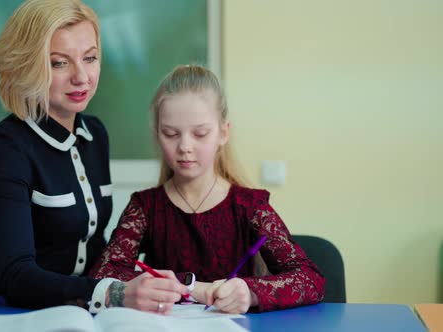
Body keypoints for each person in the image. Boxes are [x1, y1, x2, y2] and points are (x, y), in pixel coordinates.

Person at [0, 0, 187, 313]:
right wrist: (113, 292)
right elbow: (16, 277)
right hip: (31, 314)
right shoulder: (8, 146)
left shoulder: (95, 134)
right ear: (27, 64)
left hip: (90, 310)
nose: (82, 77)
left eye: (90, 58)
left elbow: (94, 245)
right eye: (59, 63)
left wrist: (137, 281)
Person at [89, 64, 325, 314]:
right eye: (171, 134)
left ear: (223, 133)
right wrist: (192, 287)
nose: (185, 147)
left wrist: (250, 292)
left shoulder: (250, 206)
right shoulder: (146, 207)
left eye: (200, 134)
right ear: (157, 134)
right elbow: (103, 274)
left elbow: (310, 279)